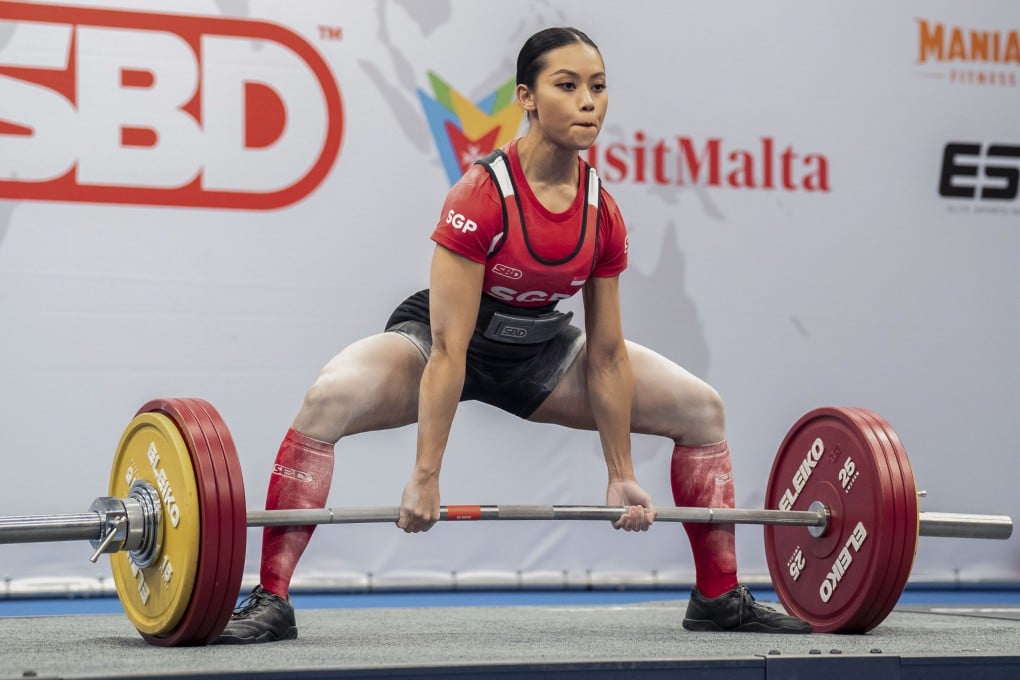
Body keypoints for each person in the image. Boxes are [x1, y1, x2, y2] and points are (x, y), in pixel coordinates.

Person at [216, 26, 811, 644]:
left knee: (701, 411)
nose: (588, 101)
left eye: (598, 87)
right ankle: (272, 598)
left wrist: (620, 471)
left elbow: (607, 355)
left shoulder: (601, 212)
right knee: (328, 398)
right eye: (567, 85)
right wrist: (425, 475)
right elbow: (450, 349)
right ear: (526, 97)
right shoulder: (482, 196)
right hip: (444, 344)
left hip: (537, 354)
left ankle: (717, 598)